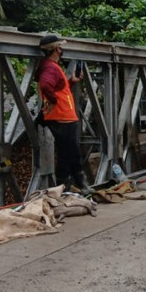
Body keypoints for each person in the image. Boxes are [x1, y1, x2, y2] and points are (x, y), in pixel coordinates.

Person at [34, 34, 92, 196]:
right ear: (56, 49)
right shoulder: (50, 67)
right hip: (61, 117)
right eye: (60, 47)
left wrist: (72, 81)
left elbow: (59, 87)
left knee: (70, 151)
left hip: (64, 117)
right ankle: (64, 187)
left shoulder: (51, 66)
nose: (62, 50)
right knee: (68, 153)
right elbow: (46, 85)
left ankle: (77, 185)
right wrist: (53, 101)